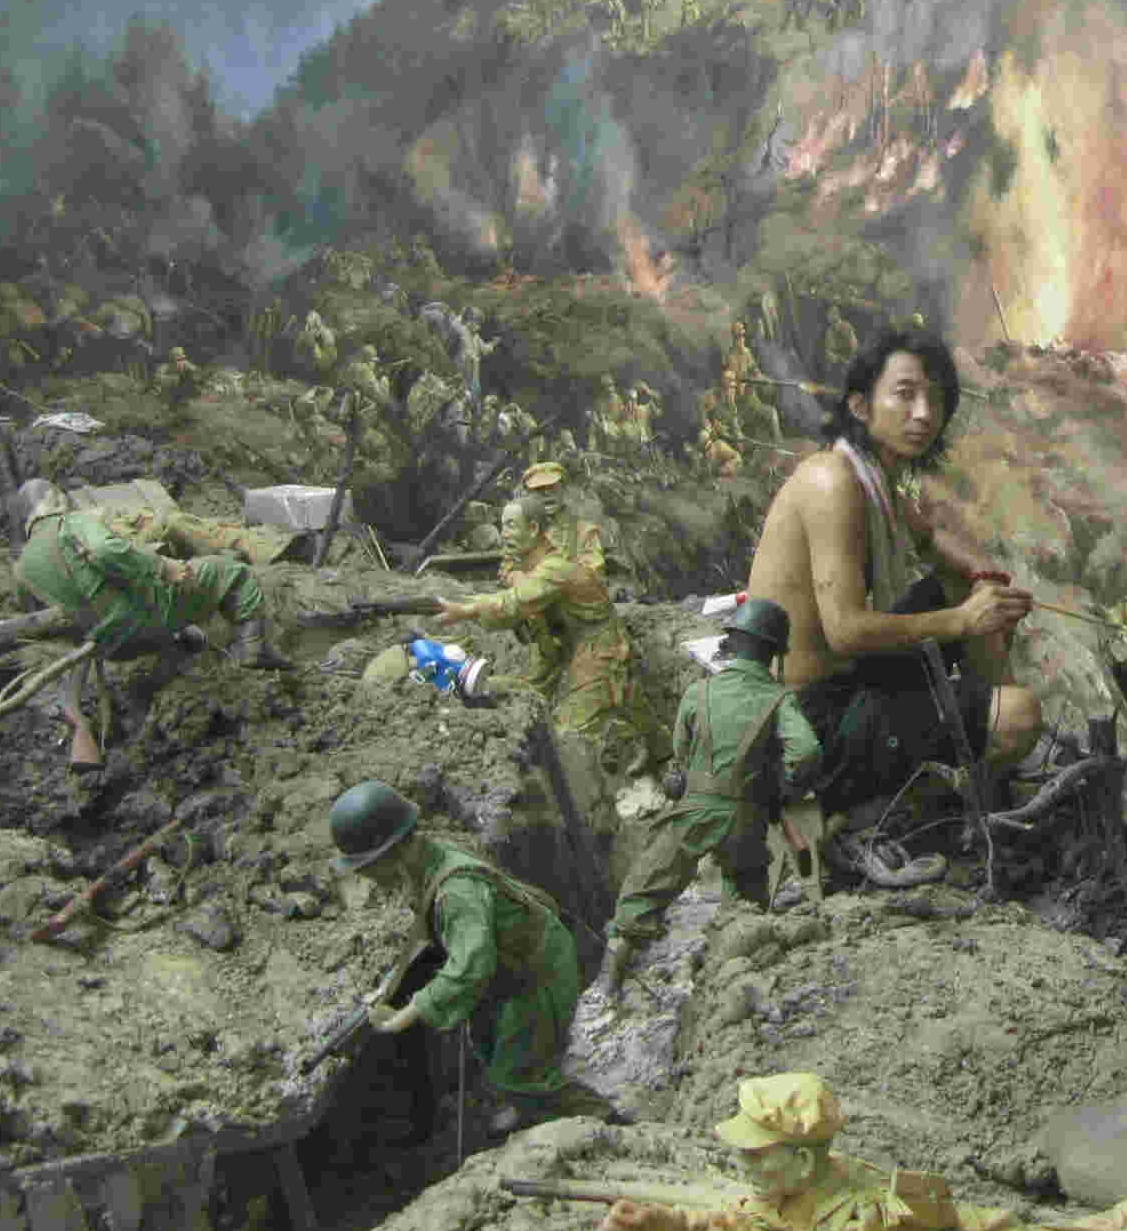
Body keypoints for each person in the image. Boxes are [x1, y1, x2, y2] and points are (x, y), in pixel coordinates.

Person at [744, 324, 1043, 836]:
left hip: (850, 680)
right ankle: (905, 799)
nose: (924, 413)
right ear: (861, 406)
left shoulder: (872, 476)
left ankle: (981, 746)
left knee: (969, 590)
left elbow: (930, 539)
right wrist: (961, 621)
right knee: (1021, 716)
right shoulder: (834, 482)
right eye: (905, 394)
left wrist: (981, 577)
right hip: (811, 718)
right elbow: (845, 632)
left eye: (936, 398)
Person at [597, 1072, 1127, 1231]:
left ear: (799, 1161)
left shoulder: (870, 1223)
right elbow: (746, 1220)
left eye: (755, 1152)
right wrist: (668, 1226)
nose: (741, 1162)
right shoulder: (788, 1188)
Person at [597, 598, 824, 998]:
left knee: (640, 897)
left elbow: (680, 759)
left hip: (694, 811)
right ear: (774, 653)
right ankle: (728, 981)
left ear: (732, 644)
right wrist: (784, 788)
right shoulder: (779, 698)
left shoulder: (698, 692)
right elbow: (806, 751)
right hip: (746, 819)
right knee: (745, 902)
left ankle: (608, 996)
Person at [327, 779, 586, 1125]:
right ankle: (526, 1105)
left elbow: (472, 965)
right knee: (487, 1039)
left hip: (538, 971)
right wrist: (392, 987)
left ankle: (598, 1121)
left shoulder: (456, 892)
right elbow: (440, 932)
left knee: (516, 1074)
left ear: (391, 853)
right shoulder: (425, 858)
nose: (365, 876)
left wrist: (406, 1014)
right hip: (510, 962)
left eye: (366, 866)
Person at [8, 478, 289, 766]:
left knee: (177, 626)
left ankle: (182, 645)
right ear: (55, 499)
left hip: (109, 646)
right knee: (233, 573)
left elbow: (44, 613)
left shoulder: (22, 568)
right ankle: (254, 656)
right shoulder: (71, 523)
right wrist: (163, 566)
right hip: (143, 618)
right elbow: (105, 550)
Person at [436, 459, 651, 781]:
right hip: (548, 632)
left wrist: (470, 609)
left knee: (572, 725)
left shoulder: (576, 533)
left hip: (591, 640)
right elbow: (510, 574)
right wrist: (525, 586)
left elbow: (562, 581)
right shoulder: (526, 529)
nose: (547, 494)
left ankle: (624, 742)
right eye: (539, 490)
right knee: (529, 696)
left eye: (552, 488)